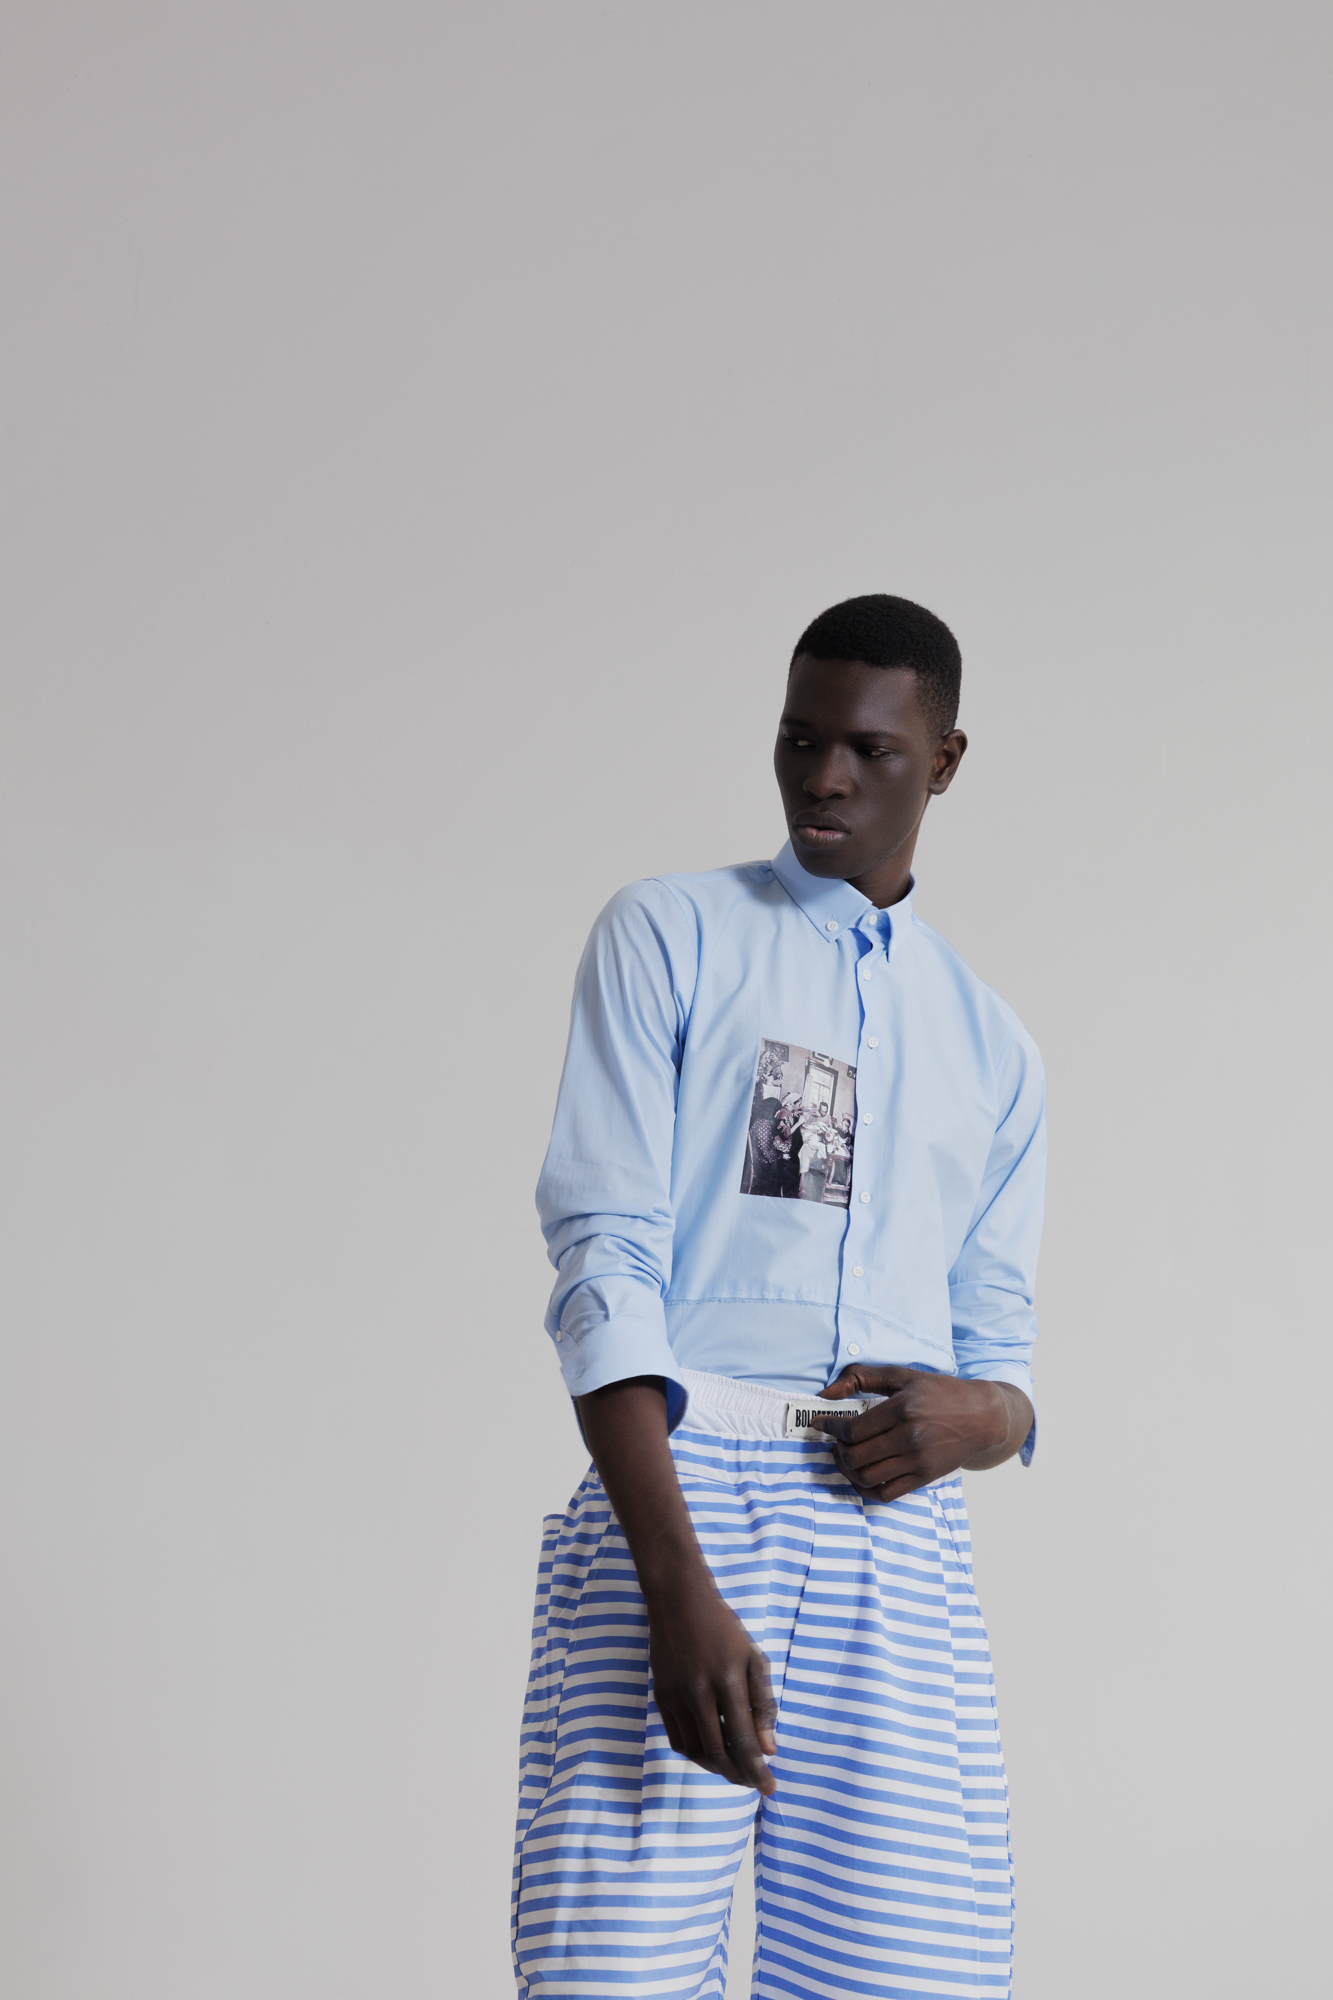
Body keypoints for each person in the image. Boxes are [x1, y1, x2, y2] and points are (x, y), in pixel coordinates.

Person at [516, 594, 1044, 2000]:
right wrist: (672, 1583)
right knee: (612, 1976)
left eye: (869, 750)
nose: (824, 778)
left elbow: (1001, 1351)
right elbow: (605, 1261)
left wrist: (984, 1420)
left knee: (909, 1976)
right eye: (800, 740)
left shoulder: (993, 1048)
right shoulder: (670, 936)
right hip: (683, 1492)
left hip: (895, 1540)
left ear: (943, 762)